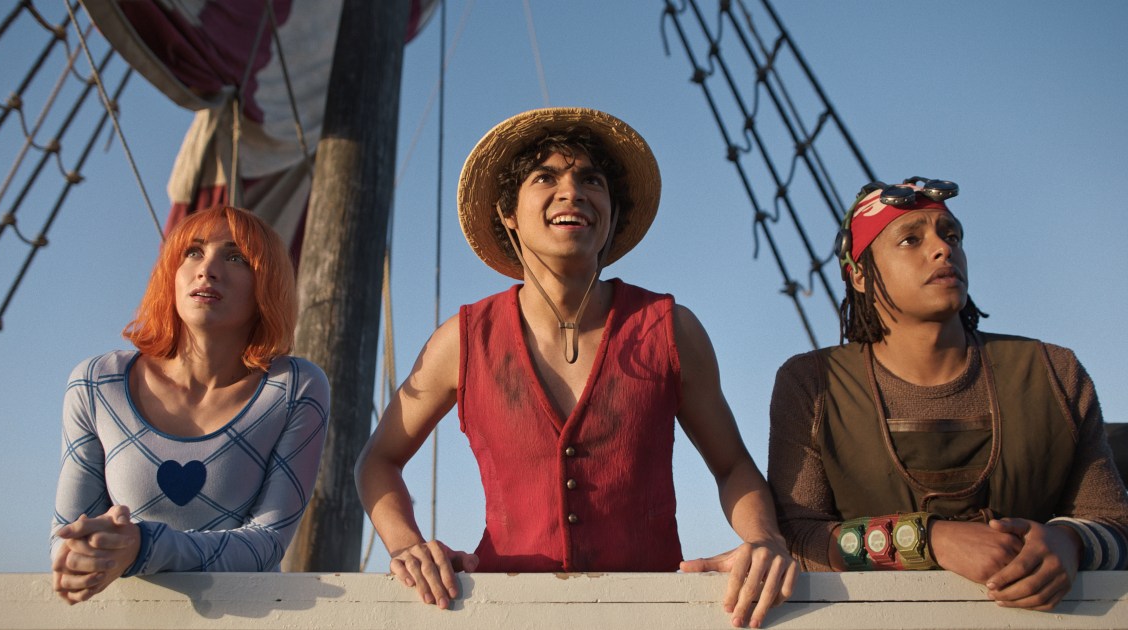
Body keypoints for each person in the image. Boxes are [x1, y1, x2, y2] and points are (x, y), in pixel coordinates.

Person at [356, 108, 797, 628]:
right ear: (508, 213)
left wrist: (765, 539)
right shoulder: (463, 339)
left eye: (591, 180)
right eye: (545, 178)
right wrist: (406, 546)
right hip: (501, 617)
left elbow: (733, 466)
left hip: (650, 616)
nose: (572, 192)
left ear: (612, 211)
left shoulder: (671, 329)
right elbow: (378, 460)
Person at [768, 178, 1128, 611]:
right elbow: (795, 537)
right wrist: (928, 539)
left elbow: (1116, 522)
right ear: (860, 275)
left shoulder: (1054, 371)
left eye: (952, 235)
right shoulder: (813, 383)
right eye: (910, 239)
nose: (943, 249)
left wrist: (1070, 542)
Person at [50, 205, 329, 604]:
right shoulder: (97, 383)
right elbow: (67, 540)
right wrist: (90, 550)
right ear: (171, 273)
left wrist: (144, 547)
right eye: (193, 252)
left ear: (267, 283)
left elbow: (267, 543)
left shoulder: (293, 388)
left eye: (236, 258)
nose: (207, 270)